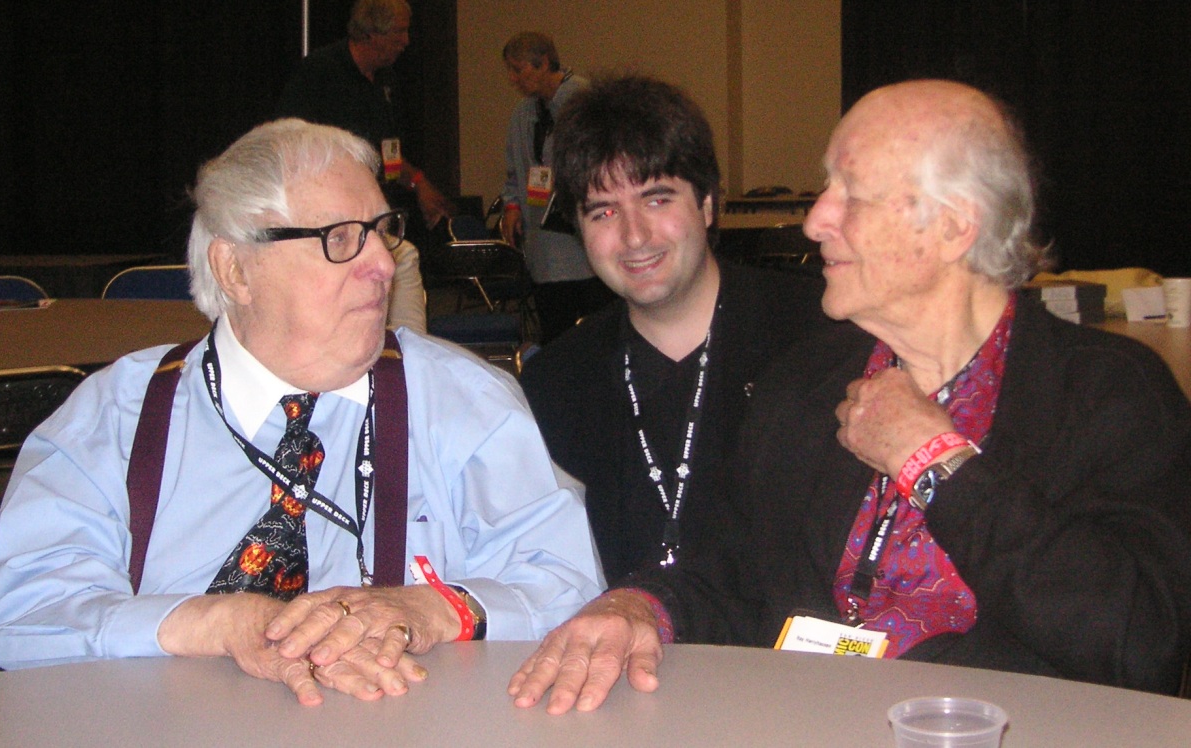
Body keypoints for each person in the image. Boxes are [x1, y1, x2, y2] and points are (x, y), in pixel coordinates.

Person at [508, 79, 1191, 714]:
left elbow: (1139, 646)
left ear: (955, 226)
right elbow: (735, 569)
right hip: (814, 719)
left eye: (852, 194)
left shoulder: (1107, 393)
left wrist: (935, 461)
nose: (815, 221)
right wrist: (640, 606)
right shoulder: (808, 382)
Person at [0, 118, 604, 706]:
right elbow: (22, 611)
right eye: (340, 238)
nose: (383, 264)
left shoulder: (462, 402)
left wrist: (434, 607)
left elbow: (570, 582)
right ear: (235, 269)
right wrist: (214, 624)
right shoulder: (118, 418)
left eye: (382, 230)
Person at [519, 74, 827, 584]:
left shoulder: (815, 340)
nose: (634, 236)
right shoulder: (556, 385)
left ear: (707, 204)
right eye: (603, 212)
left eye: (657, 200)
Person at [276, 0, 451, 231]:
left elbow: (387, 152)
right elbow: (290, 141)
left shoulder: (387, 79)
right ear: (371, 33)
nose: (406, 41)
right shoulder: (320, 73)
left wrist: (418, 182)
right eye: (399, 31)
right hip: (333, 210)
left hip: (378, 207)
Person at [500, 32, 614, 344]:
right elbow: (513, 172)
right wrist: (511, 206)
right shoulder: (522, 114)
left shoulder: (585, 101)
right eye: (510, 70)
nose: (513, 79)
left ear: (545, 63)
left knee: (595, 336)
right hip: (543, 249)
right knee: (555, 336)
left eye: (519, 70)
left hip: (582, 246)